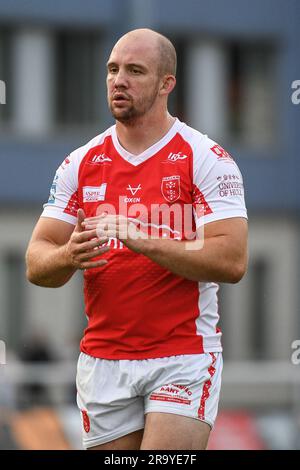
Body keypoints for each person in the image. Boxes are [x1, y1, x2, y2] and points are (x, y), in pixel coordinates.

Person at [25, 28, 248, 450]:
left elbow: (232, 260)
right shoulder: (80, 163)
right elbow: (37, 263)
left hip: (182, 355)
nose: (118, 80)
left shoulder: (205, 158)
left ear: (167, 84)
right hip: (103, 359)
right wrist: (68, 255)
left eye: (135, 71)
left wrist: (142, 239)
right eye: (112, 69)